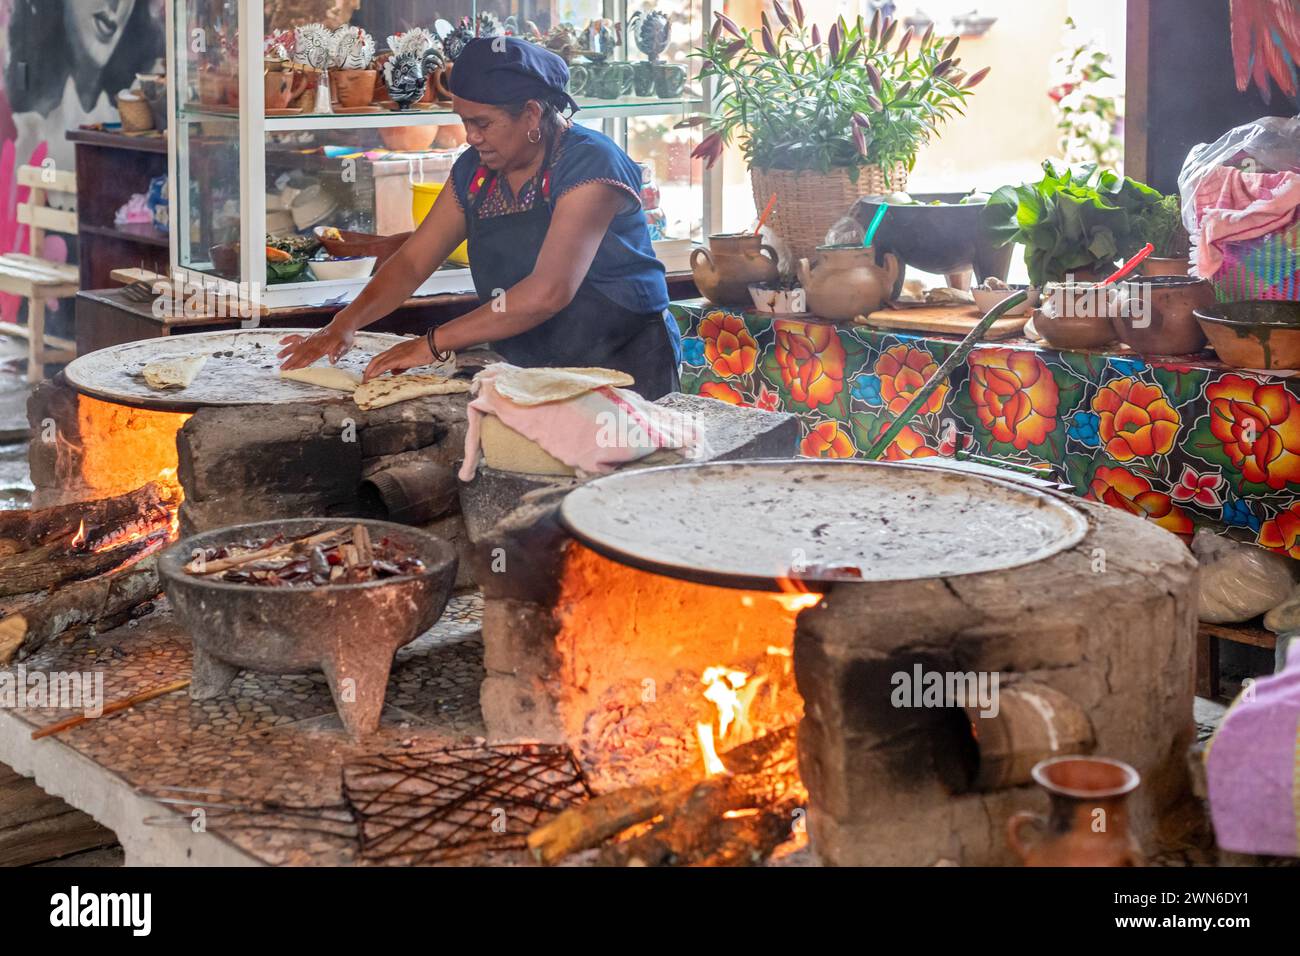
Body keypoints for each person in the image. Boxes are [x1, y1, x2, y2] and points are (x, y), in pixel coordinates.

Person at [280, 37, 682, 399]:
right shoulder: (475, 172)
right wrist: (345, 323)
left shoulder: (590, 163)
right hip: (531, 362)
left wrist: (432, 343)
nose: (470, 136)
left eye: (482, 123)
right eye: (463, 121)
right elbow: (413, 261)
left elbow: (547, 292)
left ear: (530, 114)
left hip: (626, 361)